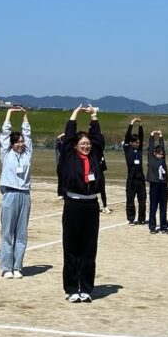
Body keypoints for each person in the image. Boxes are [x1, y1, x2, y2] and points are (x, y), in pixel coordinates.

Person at [59, 104, 105, 302]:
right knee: (71, 248)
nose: (86, 146)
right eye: (82, 144)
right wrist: (74, 115)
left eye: (88, 144)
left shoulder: (94, 155)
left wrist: (94, 118)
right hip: (73, 205)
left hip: (91, 206)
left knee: (89, 249)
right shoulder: (69, 156)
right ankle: (72, 288)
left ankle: (86, 288)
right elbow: (69, 137)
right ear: (76, 146)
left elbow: (98, 140)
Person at [0, 107, 33, 279]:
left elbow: (28, 135)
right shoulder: (6, 154)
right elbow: (5, 134)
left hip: (24, 194)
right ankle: (6, 267)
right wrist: (9, 114)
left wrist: (25, 116)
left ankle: (17, 266)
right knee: (7, 232)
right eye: (17, 142)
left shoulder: (27, 154)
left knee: (21, 233)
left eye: (22, 141)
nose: (21, 144)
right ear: (12, 144)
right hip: (10, 194)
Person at [123, 118, 146, 225]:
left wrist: (140, 125)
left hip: (140, 177)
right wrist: (131, 124)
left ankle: (141, 218)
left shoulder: (139, 149)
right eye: (136, 142)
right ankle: (131, 218)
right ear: (131, 143)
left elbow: (141, 136)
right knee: (130, 199)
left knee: (142, 200)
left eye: (138, 142)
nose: (138, 144)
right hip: (131, 177)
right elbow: (127, 136)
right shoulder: (127, 148)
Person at [147, 129, 168, 234]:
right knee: (153, 206)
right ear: (155, 153)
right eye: (158, 154)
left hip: (163, 184)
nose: (160, 156)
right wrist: (152, 136)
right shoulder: (152, 159)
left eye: (162, 154)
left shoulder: (163, 160)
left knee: (163, 207)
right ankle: (152, 226)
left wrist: (161, 136)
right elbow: (150, 148)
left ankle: (163, 226)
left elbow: (163, 147)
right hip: (154, 184)